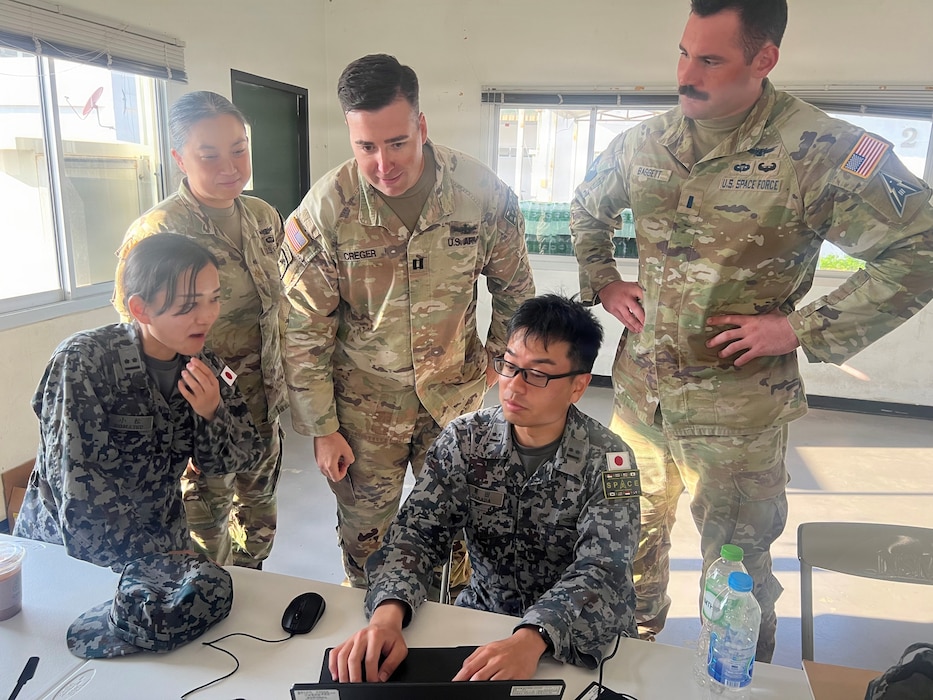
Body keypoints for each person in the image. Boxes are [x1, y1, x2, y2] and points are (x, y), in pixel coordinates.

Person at [570, 0, 933, 663]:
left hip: (735, 418)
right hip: (638, 404)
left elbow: (920, 249)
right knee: (623, 544)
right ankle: (626, 663)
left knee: (734, 578)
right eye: (682, 52)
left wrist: (797, 328)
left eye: (709, 60)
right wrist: (603, 280)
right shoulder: (643, 141)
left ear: (763, 59)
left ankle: (736, 681)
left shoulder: (819, 150)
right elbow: (586, 206)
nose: (686, 74)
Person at [280, 54, 535, 588]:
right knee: (367, 535)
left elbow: (515, 291)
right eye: (365, 147)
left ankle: (456, 628)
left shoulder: (481, 194)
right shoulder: (327, 211)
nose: (383, 163)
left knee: (462, 529)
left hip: (455, 401)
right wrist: (323, 428)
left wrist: (497, 364)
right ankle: (372, 636)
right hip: (364, 410)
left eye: (396, 142)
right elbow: (304, 330)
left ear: (421, 125)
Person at [328, 295, 640, 683]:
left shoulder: (609, 459)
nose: (514, 386)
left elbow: (604, 569)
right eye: (509, 365)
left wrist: (533, 637)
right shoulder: (465, 439)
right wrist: (387, 615)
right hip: (485, 618)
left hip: (579, 638)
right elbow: (415, 538)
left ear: (578, 386)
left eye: (538, 374)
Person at [14, 234, 264, 570]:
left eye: (214, 299)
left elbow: (243, 455)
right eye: (189, 304)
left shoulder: (202, 365)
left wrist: (212, 413)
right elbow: (79, 498)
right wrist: (154, 562)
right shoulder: (84, 363)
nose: (206, 316)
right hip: (70, 557)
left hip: (161, 547)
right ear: (140, 308)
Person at [113, 91, 287, 569]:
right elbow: (136, 338)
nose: (229, 166)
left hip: (260, 408)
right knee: (204, 543)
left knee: (259, 530)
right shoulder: (159, 232)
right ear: (179, 159)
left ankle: (248, 619)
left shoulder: (262, 218)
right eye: (208, 155)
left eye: (239, 148)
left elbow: (278, 310)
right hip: (196, 415)